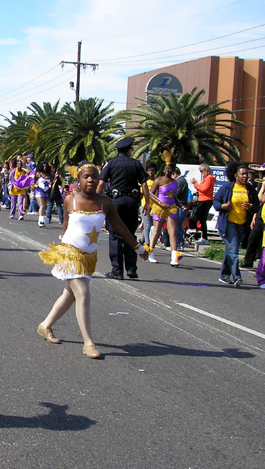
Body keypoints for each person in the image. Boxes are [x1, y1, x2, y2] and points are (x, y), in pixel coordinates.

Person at [38, 162, 148, 358]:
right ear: (78, 181)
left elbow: (120, 227)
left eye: (94, 176)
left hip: (89, 257)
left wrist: (138, 247)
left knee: (69, 295)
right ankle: (88, 342)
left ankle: (45, 325)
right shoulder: (69, 200)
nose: (91, 179)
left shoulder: (106, 203)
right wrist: (61, 246)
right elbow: (65, 225)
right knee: (83, 292)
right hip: (70, 253)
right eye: (86, 176)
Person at [98, 137, 150, 280]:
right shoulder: (136, 164)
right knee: (130, 233)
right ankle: (131, 268)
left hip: (116, 202)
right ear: (129, 150)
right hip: (132, 202)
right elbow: (144, 184)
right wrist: (147, 203)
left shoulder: (111, 163)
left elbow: (101, 182)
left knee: (115, 235)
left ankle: (117, 270)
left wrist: (95, 200)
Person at [213, 163, 259, 287]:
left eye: (246, 174)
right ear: (235, 175)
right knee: (234, 250)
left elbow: (257, 206)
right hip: (228, 223)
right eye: (242, 174)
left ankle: (224, 275)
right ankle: (237, 277)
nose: (245, 176)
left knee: (230, 250)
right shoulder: (227, 188)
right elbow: (216, 201)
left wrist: (250, 206)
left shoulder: (250, 189)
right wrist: (223, 206)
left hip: (242, 225)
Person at [146, 162, 183, 266]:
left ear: (173, 170)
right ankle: (151, 253)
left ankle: (174, 257)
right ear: (163, 170)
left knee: (173, 232)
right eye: (166, 168)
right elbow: (150, 193)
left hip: (172, 208)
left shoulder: (175, 182)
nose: (167, 170)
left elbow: (174, 197)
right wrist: (160, 203)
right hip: (159, 208)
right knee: (157, 231)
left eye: (170, 168)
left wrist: (181, 206)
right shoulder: (158, 180)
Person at [189, 164, 215, 245]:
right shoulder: (206, 178)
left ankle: (204, 237)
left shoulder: (209, 178)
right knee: (201, 219)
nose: (201, 173)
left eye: (202, 171)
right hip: (203, 200)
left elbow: (204, 189)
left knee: (203, 219)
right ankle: (203, 236)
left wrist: (195, 183)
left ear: (206, 170)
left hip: (205, 200)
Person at [33, 163, 52, 227]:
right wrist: (34, 185)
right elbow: (33, 181)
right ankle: (41, 220)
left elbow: (51, 182)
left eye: (46, 166)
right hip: (39, 191)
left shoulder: (49, 175)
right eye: (43, 166)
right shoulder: (38, 174)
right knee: (42, 205)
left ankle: (43, 218)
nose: (45, 167)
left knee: (44, 206)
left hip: (46, 191)